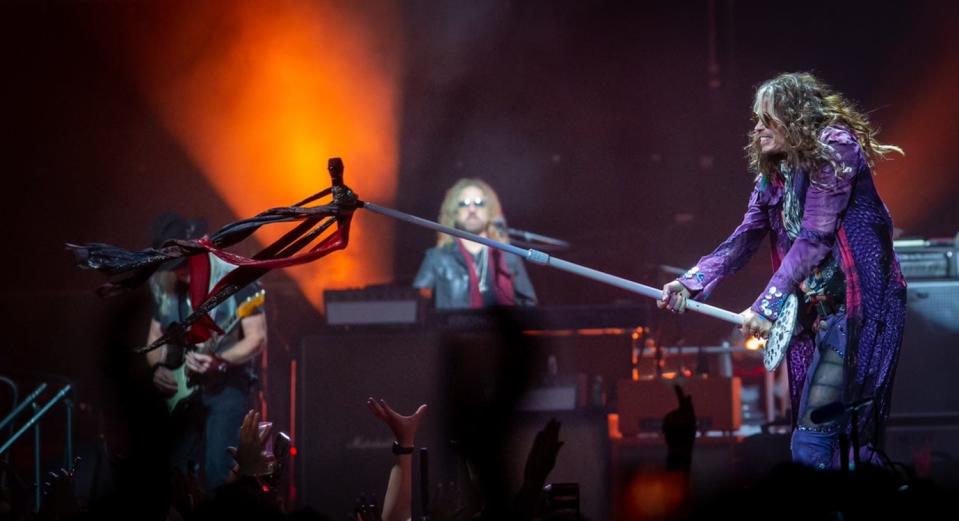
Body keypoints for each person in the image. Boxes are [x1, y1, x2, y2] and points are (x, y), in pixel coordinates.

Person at [659, 72, 906, 469]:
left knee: (823, 442)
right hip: (821, 315)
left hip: (860, 309)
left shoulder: (835, 149)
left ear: (796, 117)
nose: (757, 127)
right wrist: (693, 281)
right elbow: (746, 235)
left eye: (767, 118)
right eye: (757, 119)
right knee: (837, 445)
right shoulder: (776, 173)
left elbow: (815, 237)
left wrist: (765, 306)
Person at [144, 213, 268, 489]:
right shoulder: (165, 284)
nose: (179, 270)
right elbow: (154, 335)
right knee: (172, 472)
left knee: (219, 472)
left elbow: (257, 338)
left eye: (184, 263)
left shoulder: (234, 277)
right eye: (173, 265)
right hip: (180, 392)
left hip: (225, 387)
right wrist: (157, 368)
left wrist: (219, 361)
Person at [413, 178, 537, 309]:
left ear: (490, 210)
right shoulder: (437, 257)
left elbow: (529, 306)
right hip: (456, 329)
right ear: (454, 212)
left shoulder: (509, 255)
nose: (472, 209)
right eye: (464, 204)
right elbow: (417, 305)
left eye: (479, 203)